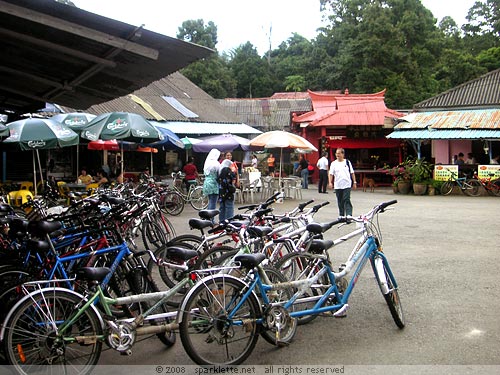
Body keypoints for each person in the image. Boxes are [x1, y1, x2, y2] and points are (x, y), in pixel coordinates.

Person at [328, 148, 357, 217]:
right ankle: (341, 215)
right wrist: (330, 182)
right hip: (338, 185)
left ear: (343, 154)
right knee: (340, 200)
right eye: (336, 153)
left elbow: (352, 173)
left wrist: (354, 182)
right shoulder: (333, 163)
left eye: (339, 153)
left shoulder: (347, 162)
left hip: (347, 184)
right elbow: (331, 174)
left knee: (346, 199)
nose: (337, 155)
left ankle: (349, 214)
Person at [203, 149, 221, 213]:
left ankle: (207, 217)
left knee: (210, 200)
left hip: (207, 183)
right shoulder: (216, 163)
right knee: (213, 202)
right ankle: (210, 219)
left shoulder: (207, 163)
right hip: (213, 183)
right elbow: (219, 173)